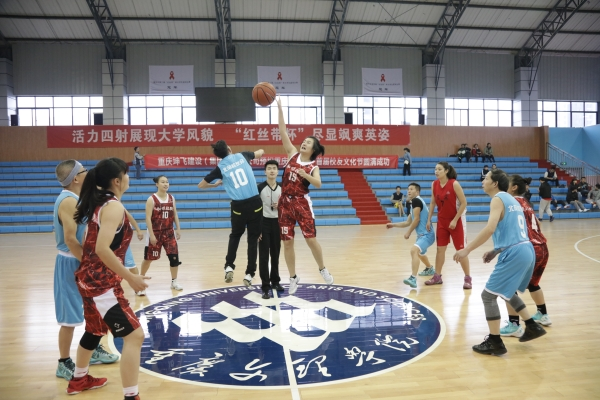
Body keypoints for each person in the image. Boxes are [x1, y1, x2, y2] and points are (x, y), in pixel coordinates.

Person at [69, 158, 149, 398]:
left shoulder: (102, 202)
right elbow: (102, 249)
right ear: (117, 180)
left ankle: (79, 379)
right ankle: (131, 395)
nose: (129, 177)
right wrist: (131, 277)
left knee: (95, 330)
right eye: (126, 174)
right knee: (135, 336)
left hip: (88, 279)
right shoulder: (112, 207)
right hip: (101, 285)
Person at [454, 169, 546, 356]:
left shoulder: (497, 199)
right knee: (506, 292)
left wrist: (467, 249)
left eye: (486, 178)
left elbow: (490, 228)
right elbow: (514, 231)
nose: (483, 181)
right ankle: (531, 325)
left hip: (515, 252)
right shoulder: (513, 200)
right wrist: (496, 250)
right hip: (526, 249)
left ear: (495, 183)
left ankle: (495, 342)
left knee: (488, 296)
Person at [53, 160, 118, 381]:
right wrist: (88, 263)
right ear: (76, 178)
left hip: (80, 260)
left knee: (92, 310)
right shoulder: (68, 201)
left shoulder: (76, 198)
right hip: (71, 262)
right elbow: (70, 239)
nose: (87, 173)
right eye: (83, 170)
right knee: (69, 317)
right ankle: (63, 362)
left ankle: (93, 349)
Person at [276, 97, 334, 295]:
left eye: (308, 142)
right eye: (304, 141)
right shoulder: (292, 153)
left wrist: (305, 175)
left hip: (302, 204)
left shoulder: (313, 166)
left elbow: (318, 183)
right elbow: (282, 131)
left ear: (313, 150)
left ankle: (322, 268)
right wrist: (280, 108)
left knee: (310, 240)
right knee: (287, 242)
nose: (303, 143)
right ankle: (293, 277)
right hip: (284, 203)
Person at [198, 140, 264, 285]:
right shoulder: (243, 156)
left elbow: (201, 185)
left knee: (235, 235)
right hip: (255, 204)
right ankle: (249, 274)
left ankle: (229, 266)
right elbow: (260, 152)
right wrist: (260, 151)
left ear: (218, 155)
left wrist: (214, 185)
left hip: (238, 207)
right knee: (253, 240)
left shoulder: (220, 168)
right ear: (229, 148)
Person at [499, 174, 552, 338]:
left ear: (513, 187)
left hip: (528, 248)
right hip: (542, 247)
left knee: (508, 286)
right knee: (533, 283)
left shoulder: (511, 203)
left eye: (507, 183)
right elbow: (538, 223)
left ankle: (514, 324)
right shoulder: (525, 202)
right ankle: (543, 314)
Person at [425, 162, 472, 289]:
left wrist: (455, 220)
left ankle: (468, 278)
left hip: (457, 221)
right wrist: (429, 220)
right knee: (440, 249)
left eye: (439, 169)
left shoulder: (454, 184)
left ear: (446, 171)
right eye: (435, 169)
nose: (436, 171)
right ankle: (437, 276)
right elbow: (432, 203)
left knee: (461, 250)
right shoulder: (434, 184)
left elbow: (464, 203)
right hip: (442, 221)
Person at [138, 175, 183, 295]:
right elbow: (148, 218)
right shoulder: (151, 199)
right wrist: (152, 235)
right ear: (157, 184)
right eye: (163, 182)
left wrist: (178, 229)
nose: (166, 184)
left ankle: (174, 281)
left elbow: (175, 214)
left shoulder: (171, 198)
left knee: (174, 258)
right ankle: (140, 282)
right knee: (148, 259)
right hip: (155, 233)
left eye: (167, 182)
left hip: (169, 233)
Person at [386, 183, 436, 288]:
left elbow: (416, 219)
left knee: (414, 250)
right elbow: (408, 222)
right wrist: (393, 225)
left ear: (417, 192)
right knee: (420, 254)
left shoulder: (416, 200)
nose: (409, 191)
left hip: (427, 234)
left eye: (411, 189)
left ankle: (413, 278)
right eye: (408, 189)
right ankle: (429, 268)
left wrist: (408, 232)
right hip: (422, 235)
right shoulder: (414, 203)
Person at [257, 160, 284, 299]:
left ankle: (275, 281)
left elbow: (289, 206)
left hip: (277, 223)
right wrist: (257, 229)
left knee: (275, 253)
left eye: (274, 168)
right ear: (265, 171)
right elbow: (255, 209)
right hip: (263, 223)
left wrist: (280, 206)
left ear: (278, 171)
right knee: (263, 256)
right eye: (269, 168)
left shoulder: (283, 188)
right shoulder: (259, 187)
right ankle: (265, 286)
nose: (272, 170)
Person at [124, 210, 144, 275]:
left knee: (130, 264)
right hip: (109, 242)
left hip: (123, 242)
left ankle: (138, 280)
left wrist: (138, 231)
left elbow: (131, 219)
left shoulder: (119, 207)